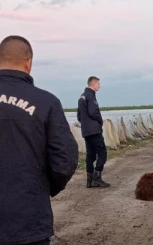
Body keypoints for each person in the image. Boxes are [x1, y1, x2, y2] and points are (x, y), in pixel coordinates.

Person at [0, 35, 79, 245]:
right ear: (29, 63)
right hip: (29, 219)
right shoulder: (46, 102)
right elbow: (65, 160)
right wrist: (42, 189)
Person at [77, 76, 110, 188]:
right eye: (98, 84)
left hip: (86, 131)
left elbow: (79, 116)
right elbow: (92, 112)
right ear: (93, 84)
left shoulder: (82, 97)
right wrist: (99, 121)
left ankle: (89, 180)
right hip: (94, 130)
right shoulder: (91, 96)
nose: (99, 86)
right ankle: (97, 177)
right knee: (102, 153)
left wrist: (86, 124)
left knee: (90, 155)